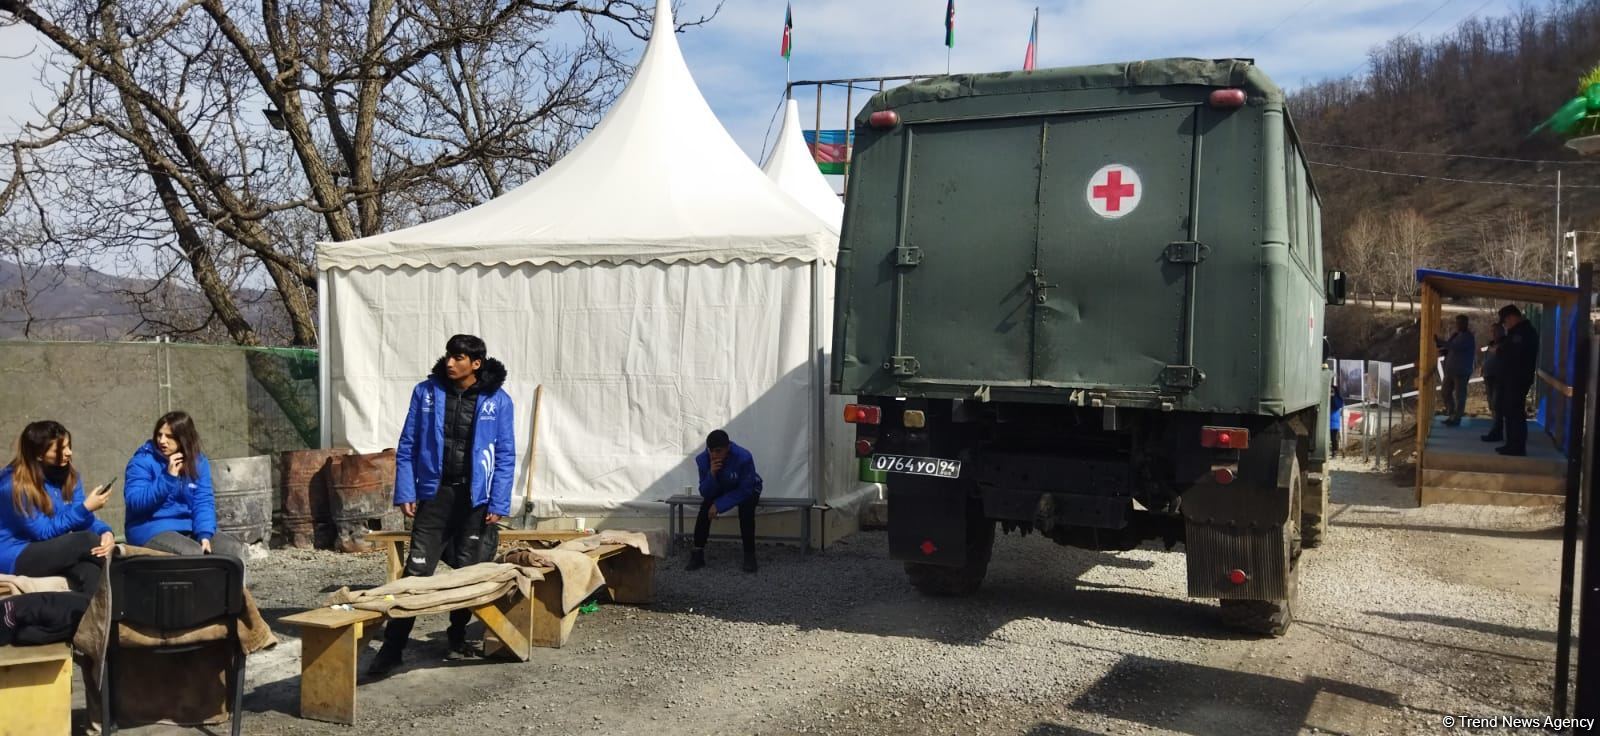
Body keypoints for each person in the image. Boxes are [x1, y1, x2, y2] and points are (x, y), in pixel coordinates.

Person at [369, 334, 515, 678]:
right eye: (449, 355)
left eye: (459, 357)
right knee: (416, 573)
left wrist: (499, 500)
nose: (450, 362)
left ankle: (457, 636)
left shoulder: (499, 400)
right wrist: (407, 491)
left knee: (467, 572)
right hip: (434, 496)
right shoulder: (426, 394)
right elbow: (407, 445)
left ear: (475, 364)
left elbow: (506, 454)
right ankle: (391, 651)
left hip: (475, 500)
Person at [0, 421, 116, 596]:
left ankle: (90, 620)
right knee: (85, 541)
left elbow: (81, 519)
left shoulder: (71, 476)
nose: (69, 453)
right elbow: (42, 532)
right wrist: (86, 507)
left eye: (69, 446)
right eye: (60, 449)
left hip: (51, 548)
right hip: (16, 553)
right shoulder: (13, 485)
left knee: (90, 568)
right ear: (39, 455)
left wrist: (105, 532)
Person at [123, 411, 247, 564]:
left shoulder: (198, 462)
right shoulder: (141, 462)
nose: (162, 441)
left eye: (169, 436)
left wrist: (204, 534)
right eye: (159, 435)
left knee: (231, 548)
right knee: (191, 552)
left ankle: (235, 588)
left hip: (187, 527)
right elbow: (135, 502)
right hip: (150, 528)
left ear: (184, 438)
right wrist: (167, 478)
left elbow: (203, 501)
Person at [688, 430, 763, 574]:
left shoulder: (743, 457)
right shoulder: (703, 460)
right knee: (705, 508)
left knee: (746, 509)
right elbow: (705, 492)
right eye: (712, 451)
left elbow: (745, 490)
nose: (715, 455)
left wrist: (719, 505)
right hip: (723, 487)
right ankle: (697, 554)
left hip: (748, 488)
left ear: (728, 447)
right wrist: (711, 474)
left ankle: (749, 555)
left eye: (718, 451)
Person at [1483, 305, 1539, 456]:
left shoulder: (1523, 332)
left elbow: (1514, 353)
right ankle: (1512, 444)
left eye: (1506, 321)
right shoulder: (1519, 331)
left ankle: (1516, 446)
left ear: (1512, 317)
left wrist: (1499, 350)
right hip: (1511, 378)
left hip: (1517, 379)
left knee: (1515, 413)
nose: (1505, 324)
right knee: (1509, 411)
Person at [1434, 314, 1475, 426]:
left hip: (1461, 371)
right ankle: (1451, 413)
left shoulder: (1468, 337)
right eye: (1457, 323)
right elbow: (1450, 347)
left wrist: (1442, 342)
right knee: (1445, 392)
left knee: (1459, 396)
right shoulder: (1456, 335)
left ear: (1465, 324)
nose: (1458, 325)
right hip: (1450, 370)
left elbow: (1455, 346)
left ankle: (1456, 418)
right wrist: (1443, 349)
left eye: (1460, 323)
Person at [1481, 322, 1507, 439]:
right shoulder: (1491, 344)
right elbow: (1487, 358)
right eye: (1492, 331)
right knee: (1492, 403)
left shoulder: (1505, 343)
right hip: (1488, 376)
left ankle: (1497, 431)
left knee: (1497, 404)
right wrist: (1483, 367)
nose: (1493, 333)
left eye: (1496, 331)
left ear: (1502, 331)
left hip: (1499, 377)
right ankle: (1495, 427)